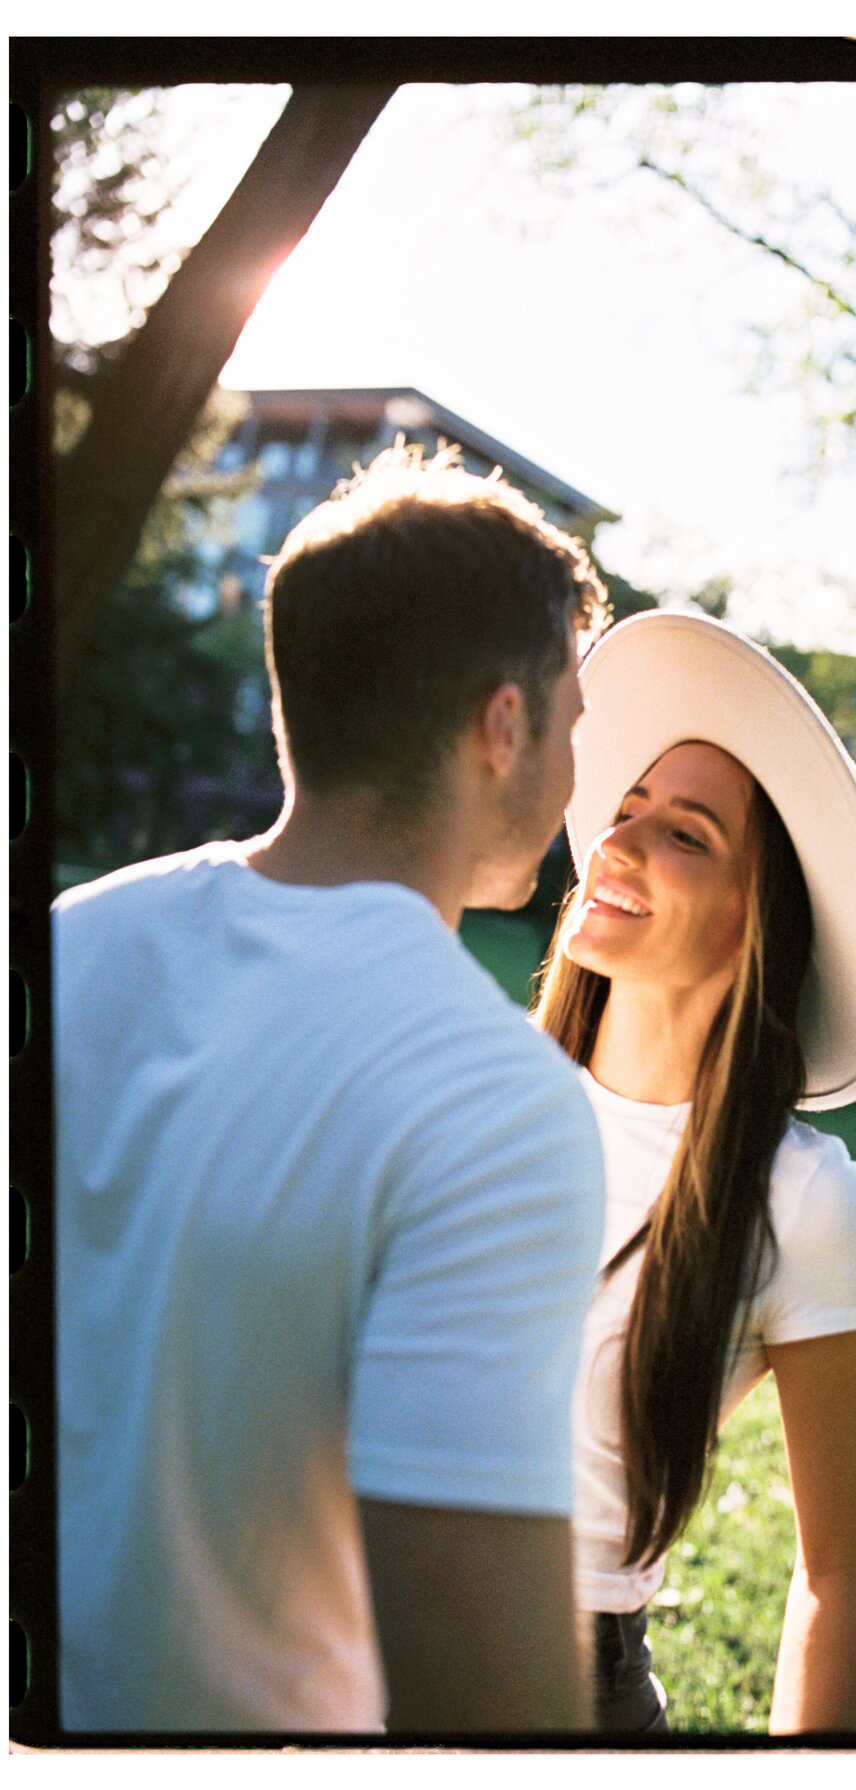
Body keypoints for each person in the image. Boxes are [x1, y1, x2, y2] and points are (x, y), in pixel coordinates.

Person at [53, 442, 610, 1735]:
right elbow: (490, 1706)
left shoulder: (65, 944)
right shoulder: (492, 1103)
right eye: (573, 724)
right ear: (505, 723)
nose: (580, 782)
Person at [534, 609, 856, 1734]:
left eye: (685, 833)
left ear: (762, 916)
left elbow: (839, 1570)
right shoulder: (479, 1086)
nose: (614, 842)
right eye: (628, 809)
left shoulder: (803, 1202)